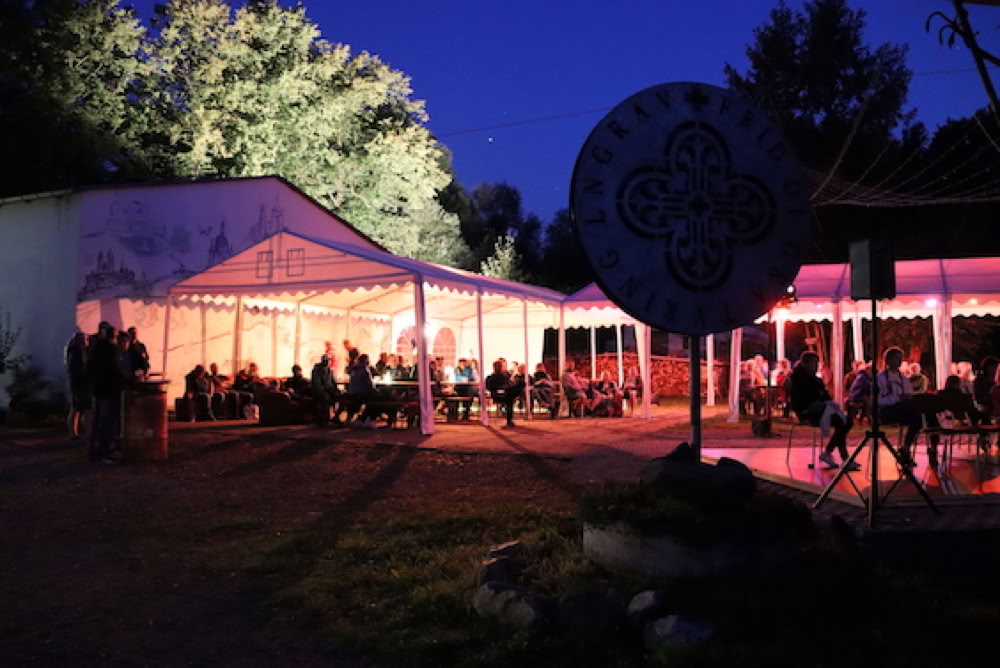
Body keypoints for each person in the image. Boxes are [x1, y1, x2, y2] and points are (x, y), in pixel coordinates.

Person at [789, 351, 858, 471]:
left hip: (820, 410)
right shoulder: (798, 379)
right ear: (806, 364)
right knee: (842, 422)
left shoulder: (815, 380)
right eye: (814, 363)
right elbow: (802, 400)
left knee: (845, 421)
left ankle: (832, 454)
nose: (816, 367)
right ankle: (842, 457)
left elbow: (825, 397)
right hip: (808, 413)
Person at [876, 347, 927, 468]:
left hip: (904, 410)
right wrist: (899, 398)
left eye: (900, 358)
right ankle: (906, 449)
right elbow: (878, 400)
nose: (899, 361)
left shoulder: (903, 379)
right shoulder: (880, 378)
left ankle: (907, 447)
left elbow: (908, 394)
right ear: (888, 360)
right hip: (886, 411)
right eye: (896, 358)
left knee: (920, 414)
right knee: (915, 412)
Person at [87, 322, 122, 463]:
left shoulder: (95, 348)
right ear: (113, 336)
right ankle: (103, 453)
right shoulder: (111, 350)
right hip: (109, 390)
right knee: (107, 423)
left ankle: (93, 452)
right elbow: (114, 370)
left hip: (97, 389)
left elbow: (89, 368)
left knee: (97, 422)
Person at [65, 332, 90, 439]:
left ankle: (74, 432)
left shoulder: (76, 351)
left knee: (77, 408)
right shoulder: (76, 352)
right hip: (78, 383)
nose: (87, 341)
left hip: (78, 382)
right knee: (78, 408)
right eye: (86, 339)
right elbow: (78, 369)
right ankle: (75, 432)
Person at [486, 359, 525, 427]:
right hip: (503, 395)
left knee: (510, 397)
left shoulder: (490, 377)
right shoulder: (504, 376)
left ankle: (509, 420)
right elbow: (509, 385)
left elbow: (488, 387)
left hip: (497, 395)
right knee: (520, 385)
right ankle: (509, 420)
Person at [348, 353, 380, 428]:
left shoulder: (354, 369)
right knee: (377, 399)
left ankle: (362, 418)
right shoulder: (364, 370)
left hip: (353, 393)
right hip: (361, 394)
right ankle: (367, 419)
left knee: (373, 398)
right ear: (366, 361)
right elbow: (369, 384)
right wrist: (376, 390)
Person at [311, 355, 339, 425]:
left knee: (340, 397)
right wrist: (323, 391)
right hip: (321, 391)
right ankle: (325, 419)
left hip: (330, 390)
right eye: (326, 360)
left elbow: (333, 382)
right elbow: (317, 384)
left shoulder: (329, 370)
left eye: (328, 360)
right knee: (325, 398)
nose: (327, 362)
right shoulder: (317, 370)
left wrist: (336, 389)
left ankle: (336, 416)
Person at [973, 356, 998, 423]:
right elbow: (979, 397)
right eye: (993, 367)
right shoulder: (981, 381)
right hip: (985, 409)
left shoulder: (995, 381)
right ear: (988, 367)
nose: (995, 369)